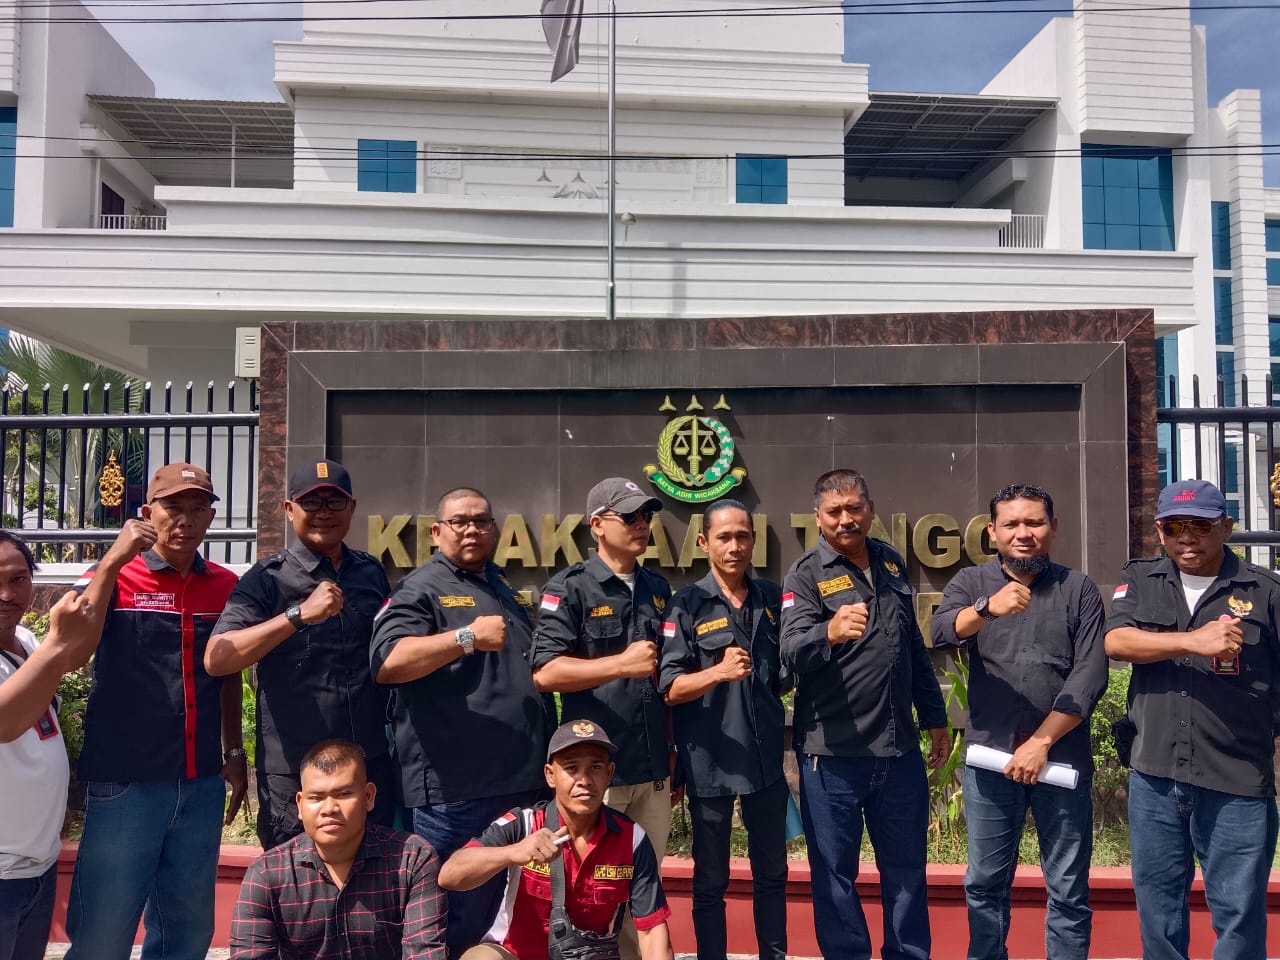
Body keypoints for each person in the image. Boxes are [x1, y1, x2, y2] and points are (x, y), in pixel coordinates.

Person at [65, 462, 247, 960]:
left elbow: (228, 674)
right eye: (173, 508)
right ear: (147, 513)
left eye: (197, 509)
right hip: (127, 784)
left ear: (211, 517)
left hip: (200, 784)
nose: (185, 520)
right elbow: (72, 647)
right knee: (103, 932)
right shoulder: (114, 576)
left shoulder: (225, 586)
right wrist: (113, 558)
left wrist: (234, 751)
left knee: (186, 932)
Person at [371, 486, 555, 957]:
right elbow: (388, 662)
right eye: (459, 521)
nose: (471, 529)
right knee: (452, 922)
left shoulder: (501, 587)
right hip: (456, 792)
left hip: (519, 783)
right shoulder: (420, 588)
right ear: (437, 532)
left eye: (481, 521)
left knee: (506, 921)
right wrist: (467, 637)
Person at [1105, 479, 1280, 960]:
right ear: (1159, 531)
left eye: (1201, 526)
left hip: (1236, 780)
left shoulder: (1264, 591)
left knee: (1239, 917)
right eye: (1174, 527)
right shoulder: (1142, 579)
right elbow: (1117, 642)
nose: (1187, 537)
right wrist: (1192, 641)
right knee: (1158, 916)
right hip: (1155, 777)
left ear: (1226, 526)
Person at [931, 483, 1108, 960]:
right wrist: (988, 608)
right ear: (992, 532)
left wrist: (1041, 742)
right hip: (991, 759)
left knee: (1068, 890)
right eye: (1011, 524)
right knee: (985, 884)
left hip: (1062, 758)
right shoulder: (972, 583)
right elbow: (941, 630)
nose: (1023, 533)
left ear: (1053, 527)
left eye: (1034, 522)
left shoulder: (1078, 589)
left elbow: (1090, 674)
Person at [780, 468, 949, 960]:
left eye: (854, 508)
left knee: (907, 870)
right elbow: (789, 652)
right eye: (834, 511)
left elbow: (913, 648)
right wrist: (827, 633)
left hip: (898, 752)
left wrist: (935, 717)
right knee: (835, 876)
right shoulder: (805, 575)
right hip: (831, 756)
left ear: (870, 509)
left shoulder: (891, 563)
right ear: (817, 518)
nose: (845, 519)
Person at [206, 459, 396, 849]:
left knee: (373, 876)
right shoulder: (267, 580)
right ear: (290, 510)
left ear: (352, 508)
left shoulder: (370, 573)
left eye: (334, 502)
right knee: (294, 879)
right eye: (311, 502)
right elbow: (218, 657)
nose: (324, 512)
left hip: (364, 765)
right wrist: (297, 615)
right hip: (294, 773)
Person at [530, 477, 675, 960]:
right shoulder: (570, 587)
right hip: (596, 776)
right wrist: (619, 664)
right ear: (597, 525)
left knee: (643, 900)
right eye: (629, 516)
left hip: (652, 772)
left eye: (646, 516)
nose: (641, 525)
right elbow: (545, 672)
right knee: (589, 894)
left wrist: (672, 754)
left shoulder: (657, 588)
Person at [657, 499, 789, 960]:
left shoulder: (771, 599)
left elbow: (785, 673)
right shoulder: (686, 605)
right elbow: (670, 688)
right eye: (724, 537)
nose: (735, 546)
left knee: (772, 876)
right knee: (710, 880)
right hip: (709, 762)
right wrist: (716, 672)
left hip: (765, 763)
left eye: (743, 536)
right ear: (703, 542)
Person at [439, 720, 675, 960]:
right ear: (550, 775)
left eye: (595, 767)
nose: (584, 780)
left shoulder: (632, 838)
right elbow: (450, 875)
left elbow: (652, 931)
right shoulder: (524, 824)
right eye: (571, 768)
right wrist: (512, 852)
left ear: (609, 773)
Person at [229, 738, 447, 960]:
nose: (329, 808)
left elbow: (425, 954)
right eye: (316, 797)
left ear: (369, 796)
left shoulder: (412, 861)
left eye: (343, 794)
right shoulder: (267, 874)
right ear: (300, 804)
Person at [0, 534, 100, 960]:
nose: (7, 594)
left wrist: (109, 567)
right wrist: (58, 641)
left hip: (36, 865)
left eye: (18, 579)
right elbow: (5, 722)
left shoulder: (25, 639)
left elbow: (71, 655)